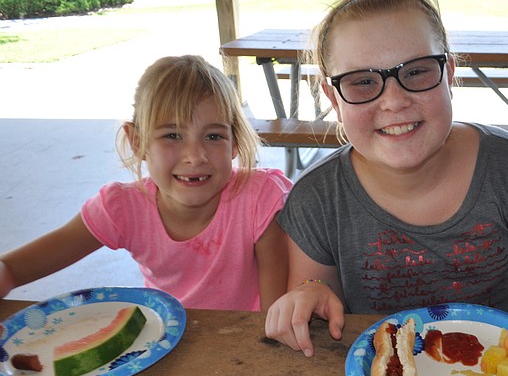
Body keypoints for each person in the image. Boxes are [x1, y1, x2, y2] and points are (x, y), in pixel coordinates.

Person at [265, 0, 508, 356]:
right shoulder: (318, 199)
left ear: (449, 74)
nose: (394, 101)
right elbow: (317, 298)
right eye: (362, 82)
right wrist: (309, 295)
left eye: (417, 72)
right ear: (333, 99)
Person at [0, 55, 292, 312]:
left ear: (234, 143)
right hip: (163, 340)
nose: (195, 157)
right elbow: (12, 269)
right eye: (172, 136)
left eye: (213, 136)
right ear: (137, 141)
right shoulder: (122, 207)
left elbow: (271, 317)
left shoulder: (261, 200)